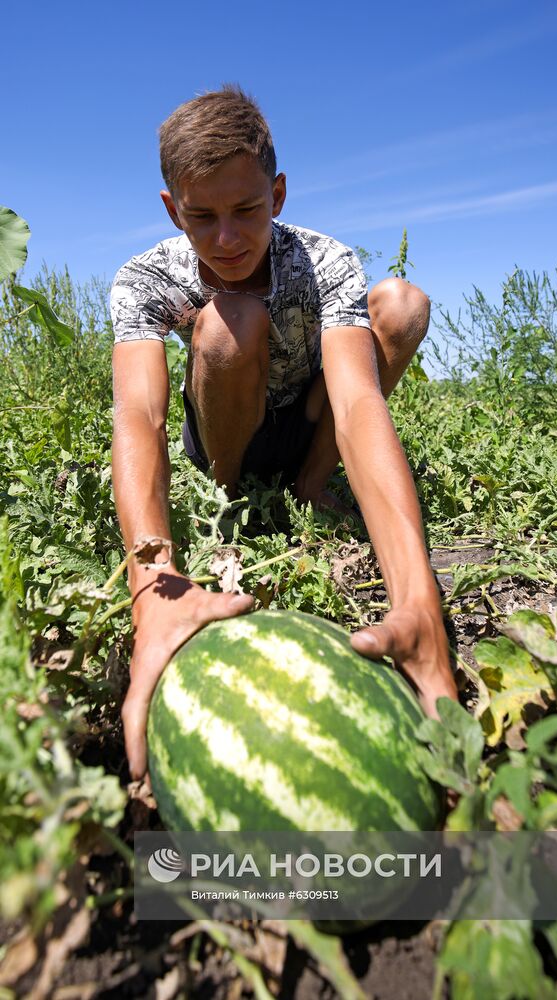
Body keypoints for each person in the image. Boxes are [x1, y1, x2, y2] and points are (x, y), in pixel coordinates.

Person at [111, 85, 458, 783]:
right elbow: (139, 415)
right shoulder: (144, 279)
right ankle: (230, 496)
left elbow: (356, 401)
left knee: (401, 303)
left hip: (305, 421)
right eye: (202, 217)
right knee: (231, 319)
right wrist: (151, 587)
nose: (227, 238)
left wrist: (419, 602)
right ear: (173, 209)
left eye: (247, 210)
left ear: (278, 194)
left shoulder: (323, 261)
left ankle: (309, 485)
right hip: (222, 427)